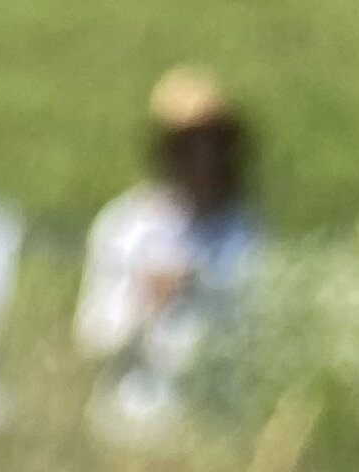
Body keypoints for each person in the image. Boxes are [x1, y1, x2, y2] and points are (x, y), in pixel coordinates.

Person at [74, 69, 263, 442]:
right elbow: (93, 340)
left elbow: (256, 330)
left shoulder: (243, 228)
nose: (204, 159)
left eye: (215, 143)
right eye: (190, 146)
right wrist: (147, 302)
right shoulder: (125, 228)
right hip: (136, 424)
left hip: (216, 426)